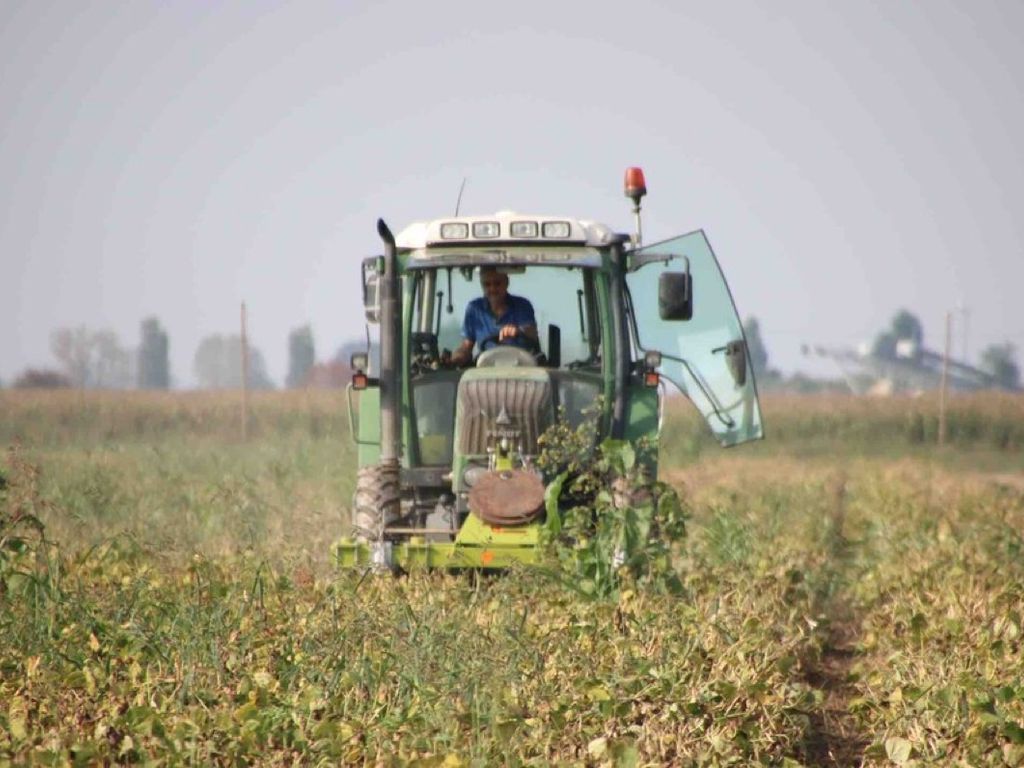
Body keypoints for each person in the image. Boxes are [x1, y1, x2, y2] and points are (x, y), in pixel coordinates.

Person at [450, 266, 538, 365]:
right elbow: (467, 345)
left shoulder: (522, 305)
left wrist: (517, 330)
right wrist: (458, 355)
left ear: (506, 283)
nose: (492, 289)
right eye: (487, 284)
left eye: (497, 283)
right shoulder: (474, 308)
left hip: (521, 367)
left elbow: (532, 332)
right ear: (482, 285)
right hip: (486, 367)